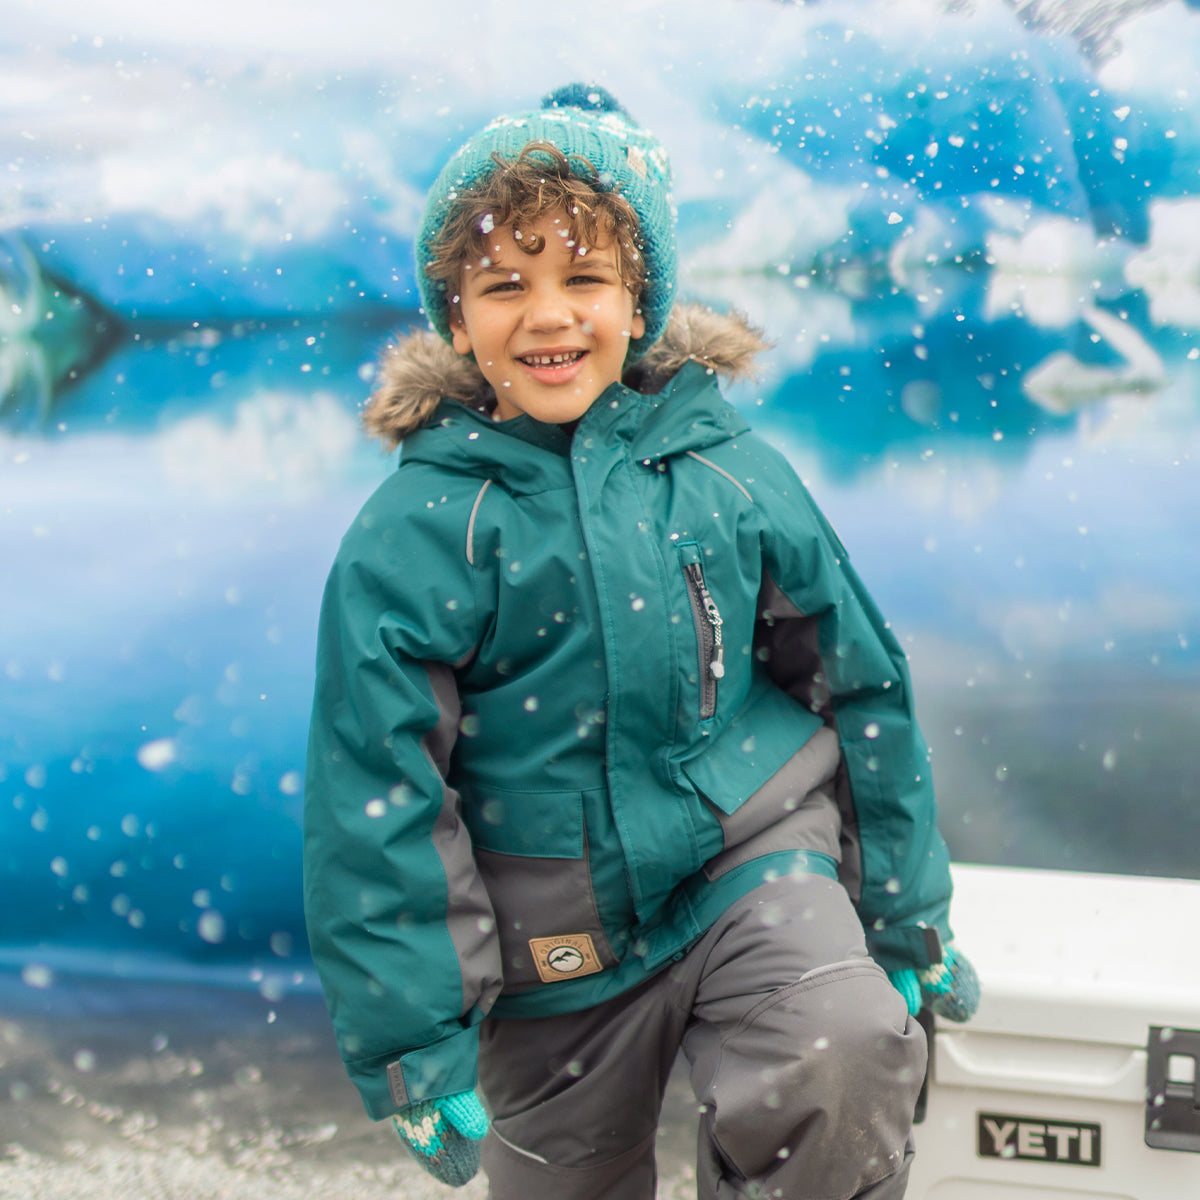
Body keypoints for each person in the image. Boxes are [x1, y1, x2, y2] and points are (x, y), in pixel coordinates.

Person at [303, 84, 978, 1200]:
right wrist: (413, 1037)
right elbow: (376, 792)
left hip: (746, 863)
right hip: (546, 941)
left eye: (586, 280)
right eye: (505, 285)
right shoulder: (420, 530)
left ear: (640, 300)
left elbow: (857, 683)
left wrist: (904, 910)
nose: (549, 315)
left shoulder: (727, 470)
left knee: (843, 1053)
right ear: (457, 318)